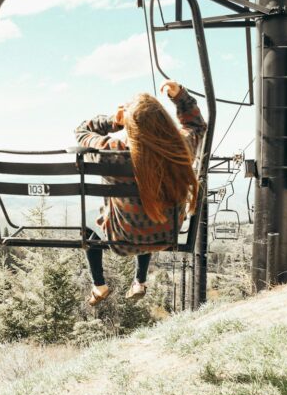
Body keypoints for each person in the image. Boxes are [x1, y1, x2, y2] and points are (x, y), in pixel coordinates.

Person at [74, 79, 207, 306]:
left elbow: (81, 131)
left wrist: (113, 122)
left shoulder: (113, 153)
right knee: (149, 207)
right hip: (166, 236)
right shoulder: (181, 147)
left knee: (89, 223)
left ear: (130, 125)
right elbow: (197, 126)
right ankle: (140, 281)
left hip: (121, 241)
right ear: (163, 121)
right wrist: (180, 97)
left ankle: (99, 285)